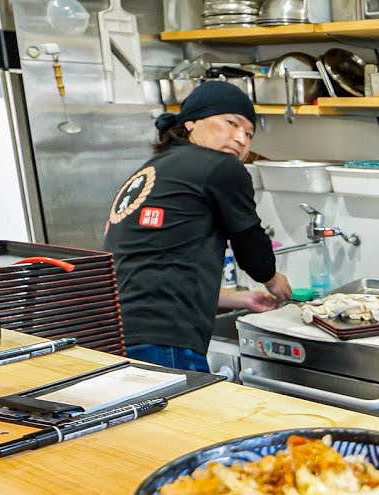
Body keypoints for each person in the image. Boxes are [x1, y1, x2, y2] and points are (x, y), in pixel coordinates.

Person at [103, 82, 291, 373]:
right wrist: (272, 279)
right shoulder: (220, 167)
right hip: (164, 340)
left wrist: (240, 298)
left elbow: (159, 267)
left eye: (249, 134)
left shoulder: (156, 168)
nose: (241, 138)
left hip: (115, 334)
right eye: (231, 123)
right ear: (191, 122)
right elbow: (251, 246)